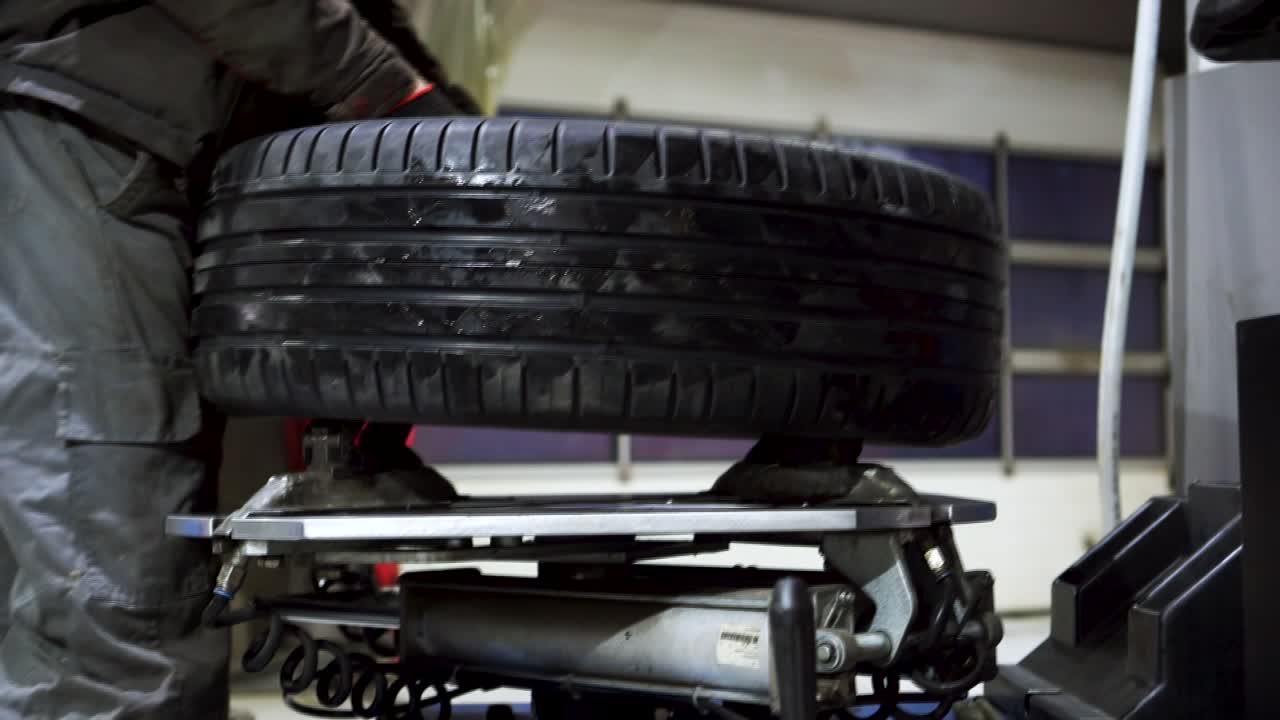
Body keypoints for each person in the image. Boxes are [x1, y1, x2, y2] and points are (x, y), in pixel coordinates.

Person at [0, 3, 468, 717]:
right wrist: (389, 90)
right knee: (116, 594)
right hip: (72, 124)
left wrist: (423, 98)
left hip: (122, 130)